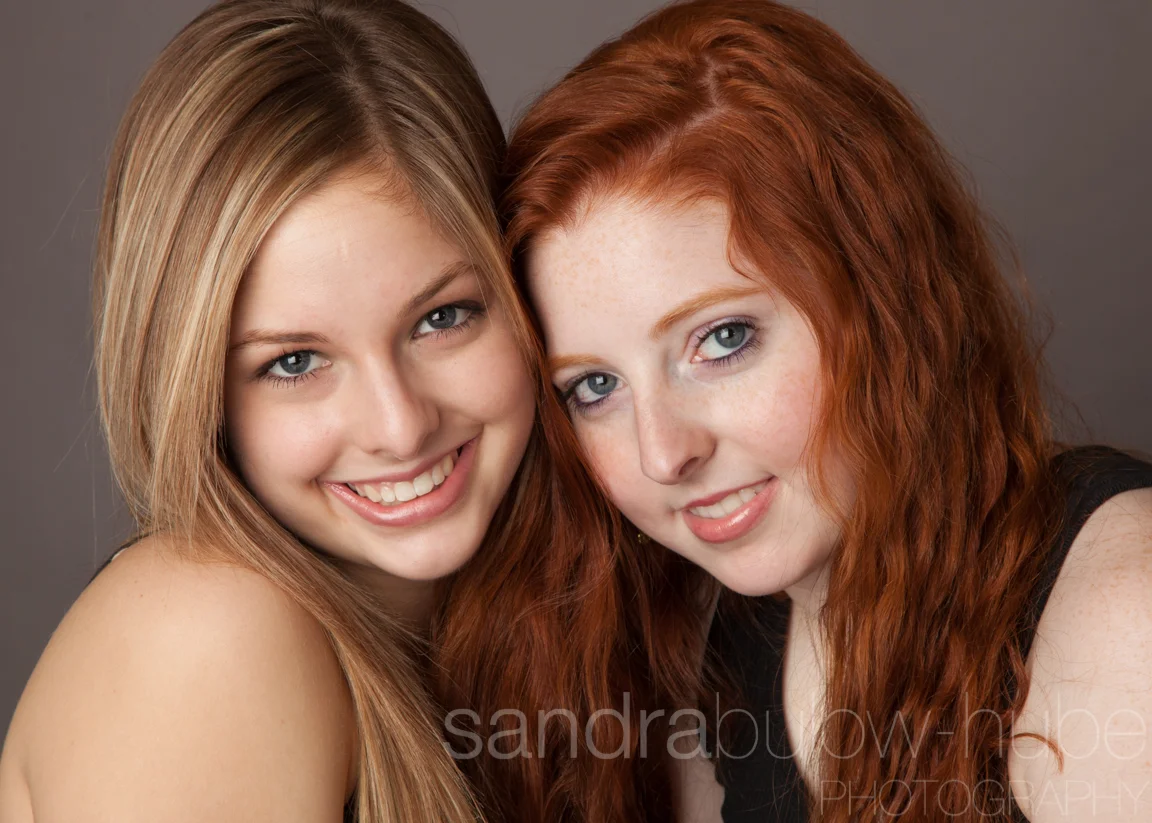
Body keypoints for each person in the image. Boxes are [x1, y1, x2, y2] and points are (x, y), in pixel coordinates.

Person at [0, 2, 658, 821]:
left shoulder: (553, 626)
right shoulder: (208, 633)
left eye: (442, 317)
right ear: (195, 392)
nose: (400, 425)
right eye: (295, 362)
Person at [502, 1, 1152, 821]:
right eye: (595, 387)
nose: (663, 453)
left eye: (723, 339)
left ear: (884, 300)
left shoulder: (1126, 615)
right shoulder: (720, 630)